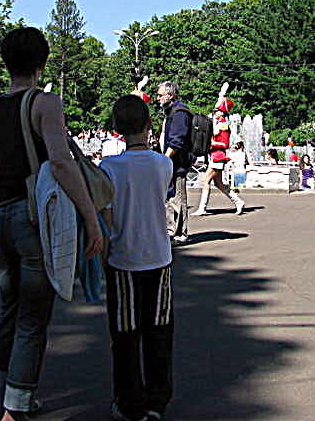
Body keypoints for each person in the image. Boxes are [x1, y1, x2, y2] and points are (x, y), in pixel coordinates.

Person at [0, 27, 103, 421]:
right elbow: (60, 161)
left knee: (9, 308)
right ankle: (16, 406)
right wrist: (90, 217)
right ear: (40, 65)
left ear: (7, 63)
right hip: (30, 219)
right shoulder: (45, 104)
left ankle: (10, 391)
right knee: (33, 316)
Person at [99, 95, 174, 421]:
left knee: (125, 335)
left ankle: (130, 403)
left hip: (123, 258)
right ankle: (157, 400)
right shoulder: (164, 164)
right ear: (149, 126)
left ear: (116, 129)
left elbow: (109, 217)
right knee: (158, 332)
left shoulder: (109, 167)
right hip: (158, 256)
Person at [192, 83, 245, 216]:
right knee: (219, 184)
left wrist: (213, 143)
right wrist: (222, 93)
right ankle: (238, 201)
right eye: (215, 111)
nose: (215, 113)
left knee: (206, 181)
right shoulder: (217, 123)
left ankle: (202, 208)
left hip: (218, 156)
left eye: (218, 111)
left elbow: (224, 144)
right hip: (214, 155)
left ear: (223, 113)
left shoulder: (224, 125)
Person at [157, 81, 194, 245]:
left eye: (160, 95)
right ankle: (172, 231)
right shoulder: (172, 111)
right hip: (172, 162)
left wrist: (165, 159)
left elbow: (176, 141)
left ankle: (180, 234)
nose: (158, 98)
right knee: (170, 197)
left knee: (177, 198)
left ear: (170, 95)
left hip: (177, 163)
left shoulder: (179, 113)